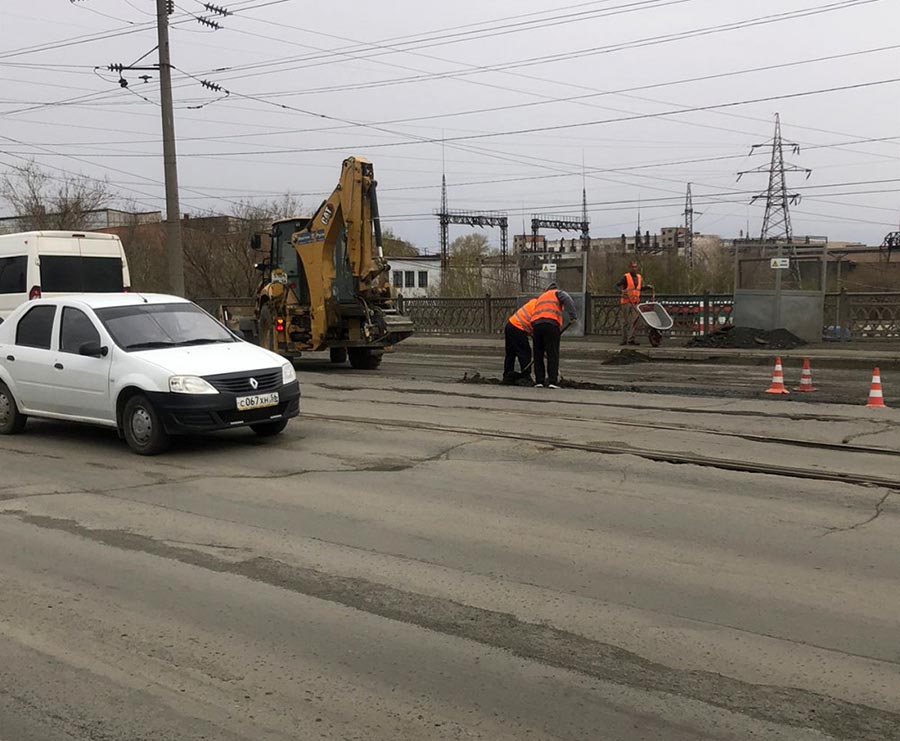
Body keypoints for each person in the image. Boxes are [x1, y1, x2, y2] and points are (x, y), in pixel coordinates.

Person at [531, 282, 578, 389]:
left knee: (538, 354)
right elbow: (567, 299)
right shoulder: (557, 293)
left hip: (537, 326)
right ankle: (552, 381)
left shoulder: (541, 296)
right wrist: (573, 316)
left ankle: (539, 381)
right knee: (552, 352)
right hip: (551, 325)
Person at [616, 261, 653, 345]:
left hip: (635, 302)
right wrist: (621, 292)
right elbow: (616, 286)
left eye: (635, 267)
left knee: (635, 321)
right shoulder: (626, 277)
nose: (634, 268)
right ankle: (624, 339)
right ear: (630, 268)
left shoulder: (639, 277)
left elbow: (639, 288)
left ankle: (631, 339)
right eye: (632, 267)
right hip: (626, 302)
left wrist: (647, 287)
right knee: (625, 321)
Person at [503, 297, 537, 384]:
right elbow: (536, 326)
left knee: (511, 353)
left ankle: (507, 374)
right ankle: (526, 376)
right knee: (525, 352)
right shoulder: (540, 308)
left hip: (510, 325)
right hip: (517, 328)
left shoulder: (534, 302)